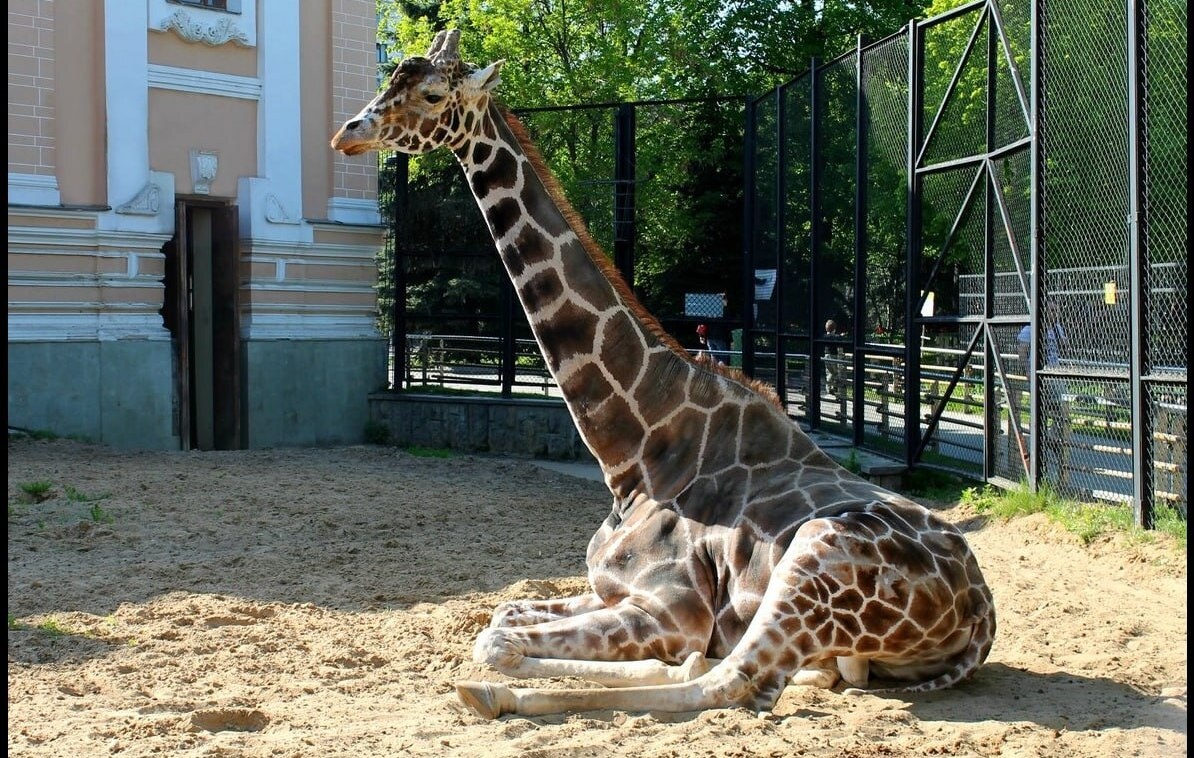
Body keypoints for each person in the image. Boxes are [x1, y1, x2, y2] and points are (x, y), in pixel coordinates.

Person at [1017, 301, 1070, 476]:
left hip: (1054, 374)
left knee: (1063, 407)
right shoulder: (1030, 328)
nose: (1056, 313)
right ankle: (1039, 444)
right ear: (1044, 311)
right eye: (1053, 310)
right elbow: (1022, 352)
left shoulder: (1058, 328)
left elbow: (1065, 347)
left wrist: (1062, 339)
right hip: (1038, 375)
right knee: (1039, 410)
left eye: (1058, 310)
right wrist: (1027, 371)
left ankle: (1051, 436)